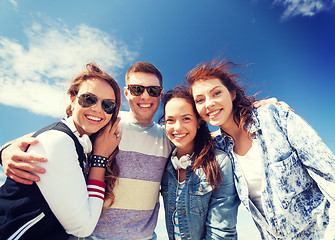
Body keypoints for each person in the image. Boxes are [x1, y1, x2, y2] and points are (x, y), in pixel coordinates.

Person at [0, 62, 173, 240]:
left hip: (144, 237)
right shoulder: (106, 124)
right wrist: (6, 150)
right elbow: (48, 136)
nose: (145, 96)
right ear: (127, 92)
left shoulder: (169, 137)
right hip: (93, 236)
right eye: (137, 89)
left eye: (152, 90)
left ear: (160, 94)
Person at [185, 59, 335, 239]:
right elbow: (174, 135)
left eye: (216, 93)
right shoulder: (218, 149)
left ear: (232, 93)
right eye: (200, 100)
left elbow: (328, 173)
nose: (208, 103)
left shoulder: (274, 117)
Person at [0, 63, 122, 239]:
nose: (97, 109)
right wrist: (100, 159)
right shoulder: (59, 141)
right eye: (89, 99)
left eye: (108, 105)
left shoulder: (79, 140)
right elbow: (83, 228)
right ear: (72, 99)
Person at [159, 86, 240, 239]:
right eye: (170, 120)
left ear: (198, 122)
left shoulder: (219, 162)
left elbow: (221, 232)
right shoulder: (165, 164)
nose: (177, 127)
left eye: (186, 119)